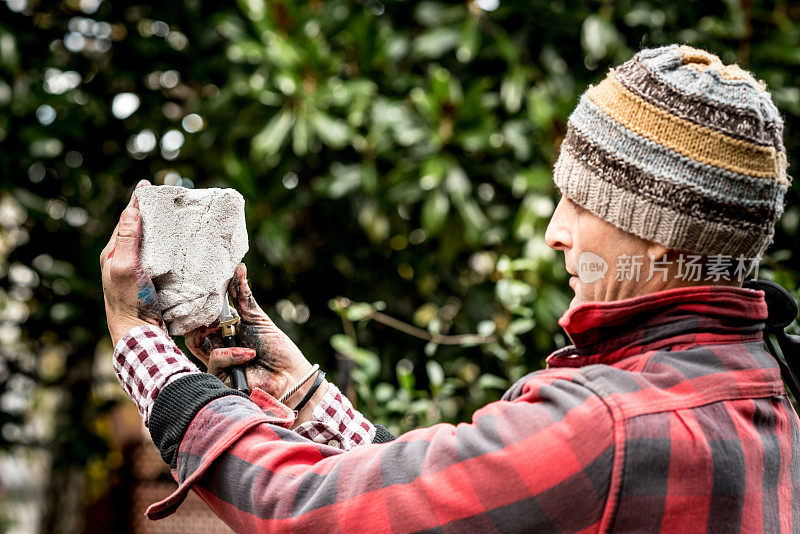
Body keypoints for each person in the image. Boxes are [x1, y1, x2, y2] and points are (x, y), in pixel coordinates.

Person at [101, 45, 799, 532]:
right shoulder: (767, 383)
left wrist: (144, 351)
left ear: (656, 233)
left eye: (579, 204)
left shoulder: (609, 427)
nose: (556, 232)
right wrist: (301, 390)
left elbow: (307, 511)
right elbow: (448, 500)